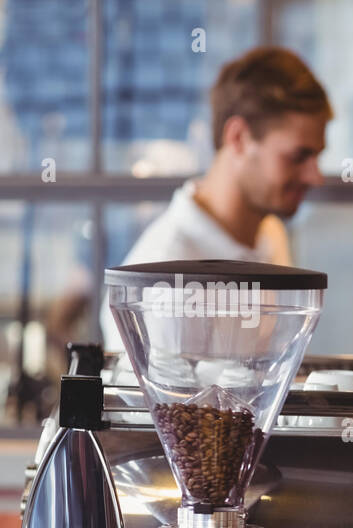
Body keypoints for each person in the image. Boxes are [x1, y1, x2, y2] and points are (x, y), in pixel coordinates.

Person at [100, 46, 331, 352]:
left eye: (316, 156)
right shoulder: (166, 283)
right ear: (237, 137)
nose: (315, 177)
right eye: (299, 156)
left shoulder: (268, 233)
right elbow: (163, 402)